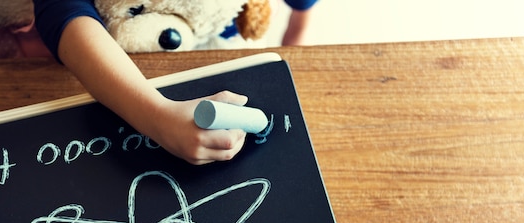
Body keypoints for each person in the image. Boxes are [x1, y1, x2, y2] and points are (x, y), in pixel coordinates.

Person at [33, 0, 319, 165]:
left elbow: (301, 16)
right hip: (112, 54)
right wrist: (156, 115)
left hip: (219, 44)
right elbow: (62, 12)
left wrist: (295, 46)